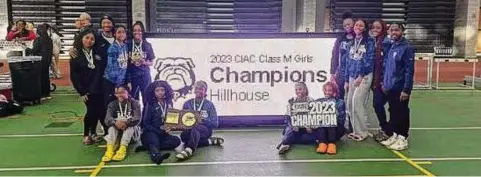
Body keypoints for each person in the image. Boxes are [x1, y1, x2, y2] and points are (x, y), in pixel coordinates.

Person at [379, 23, 414, 151]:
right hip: (390, 86)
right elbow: (386, 66)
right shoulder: (391, 46)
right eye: (391, 30)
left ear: (402, 31)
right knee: (393, 111)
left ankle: (403, 137)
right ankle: (394, 135)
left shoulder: (407, 47)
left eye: (397, 30)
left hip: (400, 87)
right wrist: (384, 82)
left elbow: (409, 71)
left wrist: (406, 89)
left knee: (402, 112)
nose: (394, 32)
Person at [70, 28, 104, 145]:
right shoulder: (75, 54)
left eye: (92, 39)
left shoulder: (97, 52)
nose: (89, 41)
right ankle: (85, 134)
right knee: (90, 111)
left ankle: (93, 133)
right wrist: (81, 92)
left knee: (97, 111)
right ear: (82, 39)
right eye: (87, 38)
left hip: (98, 88)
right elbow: (74, 75)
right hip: (86, 90)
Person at [176, 81, 224, 160]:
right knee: (184, 138)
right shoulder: (187, 104)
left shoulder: (209, 105)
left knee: (196, 128)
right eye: (197, 89)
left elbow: (215, 123)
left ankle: (190, 149)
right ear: (194, 90)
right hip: (189, 130)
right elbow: (182, 121)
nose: (199, 91)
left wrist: (203, 120)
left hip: (204, 130)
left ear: (205, 91)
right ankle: (208, 142)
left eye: (201, 89)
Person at [344, 19, 375, 141]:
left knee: (357, 101)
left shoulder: (369, 42)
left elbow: (370, 59)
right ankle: (356, 131)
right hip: (352, 75)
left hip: (364, 75)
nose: (358, 27)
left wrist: (361, 76)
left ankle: (363, 132)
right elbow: (347, 61)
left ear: (365, 28)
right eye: (356, 25)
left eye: (361, 25)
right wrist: (347, 80)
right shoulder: (351, 43)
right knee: (349, 103)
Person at [140, 81, 182, 164]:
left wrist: (170, 127)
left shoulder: (169, 103)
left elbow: (171, 120)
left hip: (163, 134)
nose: (160, 92)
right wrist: (159, 131)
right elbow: (146, 124)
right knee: (153, 139)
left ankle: (150, 147)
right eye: (157, 90)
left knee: (177, 141)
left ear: (166, 90)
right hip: (150, 133)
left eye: (162, 90)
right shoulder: (150, 104)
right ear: (153, 92)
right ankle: (156, 156)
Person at [277, 82, 321, 154]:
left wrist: (310, 126)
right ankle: (285, 144)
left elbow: (314, 116)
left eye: (300, 89)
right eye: (296, 90)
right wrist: (294, 125)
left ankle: (287, 142)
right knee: (290, 131)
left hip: (307, 126)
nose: (298, 91)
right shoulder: (292, 101)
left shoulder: (311, 100)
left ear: (305, 90)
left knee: (316, 135)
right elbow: (288, 117)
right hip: (296, 127)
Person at [102, 86, 141, 162]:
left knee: (130, 126)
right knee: (112, 127)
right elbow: (107, 120)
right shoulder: (112, 104)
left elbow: (137, 119)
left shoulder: (135, 103)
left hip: (132, 135)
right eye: (117, 93)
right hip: (118, 135)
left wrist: (125, 123)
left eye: (122, 92)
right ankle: (109, 150)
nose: (119, 95)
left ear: (128, 92)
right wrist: (116, 122)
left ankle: (122, 149)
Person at [369, 20, 391, 142]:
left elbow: (387, 64)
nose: (375, 30)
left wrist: (383, 81)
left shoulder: (386, 42)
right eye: (373, 28)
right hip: (375, 81)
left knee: (378, 104)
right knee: (378, 105)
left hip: (383, 81)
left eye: (378, 28)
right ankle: (386, 129)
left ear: (383, 29)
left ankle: (387, 129)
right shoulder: (374, 42)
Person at [127, 21, 154, 105]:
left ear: (142, 31)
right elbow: (124, 61)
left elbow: (152, 62)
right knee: (133, 99)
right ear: (132, 32)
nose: (137, 32)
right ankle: (135, 117)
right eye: (135, 30)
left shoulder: (147, 45)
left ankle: (146, 117)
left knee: (146, 98)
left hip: (144, 75)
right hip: (132, 75)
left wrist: (144, 62)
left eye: (139, 30)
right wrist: (130, 60)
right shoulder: (128, 44)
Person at [316, 82, 346, 155]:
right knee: (322, 124)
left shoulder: (340, 102)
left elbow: (342, 120)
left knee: (330, 122)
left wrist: (334, 114)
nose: (327, 92)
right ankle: (322, 143)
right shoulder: (318, 101)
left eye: (330, 90)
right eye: (325, 90)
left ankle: (332, 144)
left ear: (334, 91)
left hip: (336, 129)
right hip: (322, 129)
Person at [330, 11, 354, 101]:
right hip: (341, 74)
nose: (347, 27)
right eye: (345, 25)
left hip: (354, 73)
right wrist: (333, 73)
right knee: (341, 98)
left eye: (349, 24)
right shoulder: (340, 39)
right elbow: (335, 56)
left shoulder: (359, 38)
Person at [104, 25, 129, 107]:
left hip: (121, 81)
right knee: (111, 105)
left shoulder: (125, 46)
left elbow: (125, 66)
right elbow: (112, 68)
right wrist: (118, 85)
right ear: (114, 34)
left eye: (123, 32)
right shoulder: (112, 48)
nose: (121, 34)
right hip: (111, 81)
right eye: (119, 32)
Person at [30, 24, 53, 101]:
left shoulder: (38, 39)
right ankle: (47, 94)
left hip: (40, 61)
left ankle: (42, 94)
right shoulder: (49, 39)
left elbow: (34, 50)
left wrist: (26, 49)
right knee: (46, 77)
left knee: (40, 78)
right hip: (47, 60)